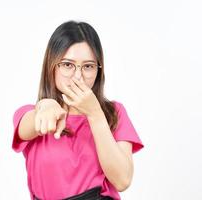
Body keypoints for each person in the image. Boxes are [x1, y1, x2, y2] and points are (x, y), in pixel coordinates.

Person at [11, 20, 144, 200]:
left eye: (88, 66)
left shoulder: (114, 113)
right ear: (52, 66)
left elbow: (122, 180)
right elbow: (27, 127)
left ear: (98, 70)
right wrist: (44, 106)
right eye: (67, 64)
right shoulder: (33, 114)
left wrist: (95, 114)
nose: (78, 76)